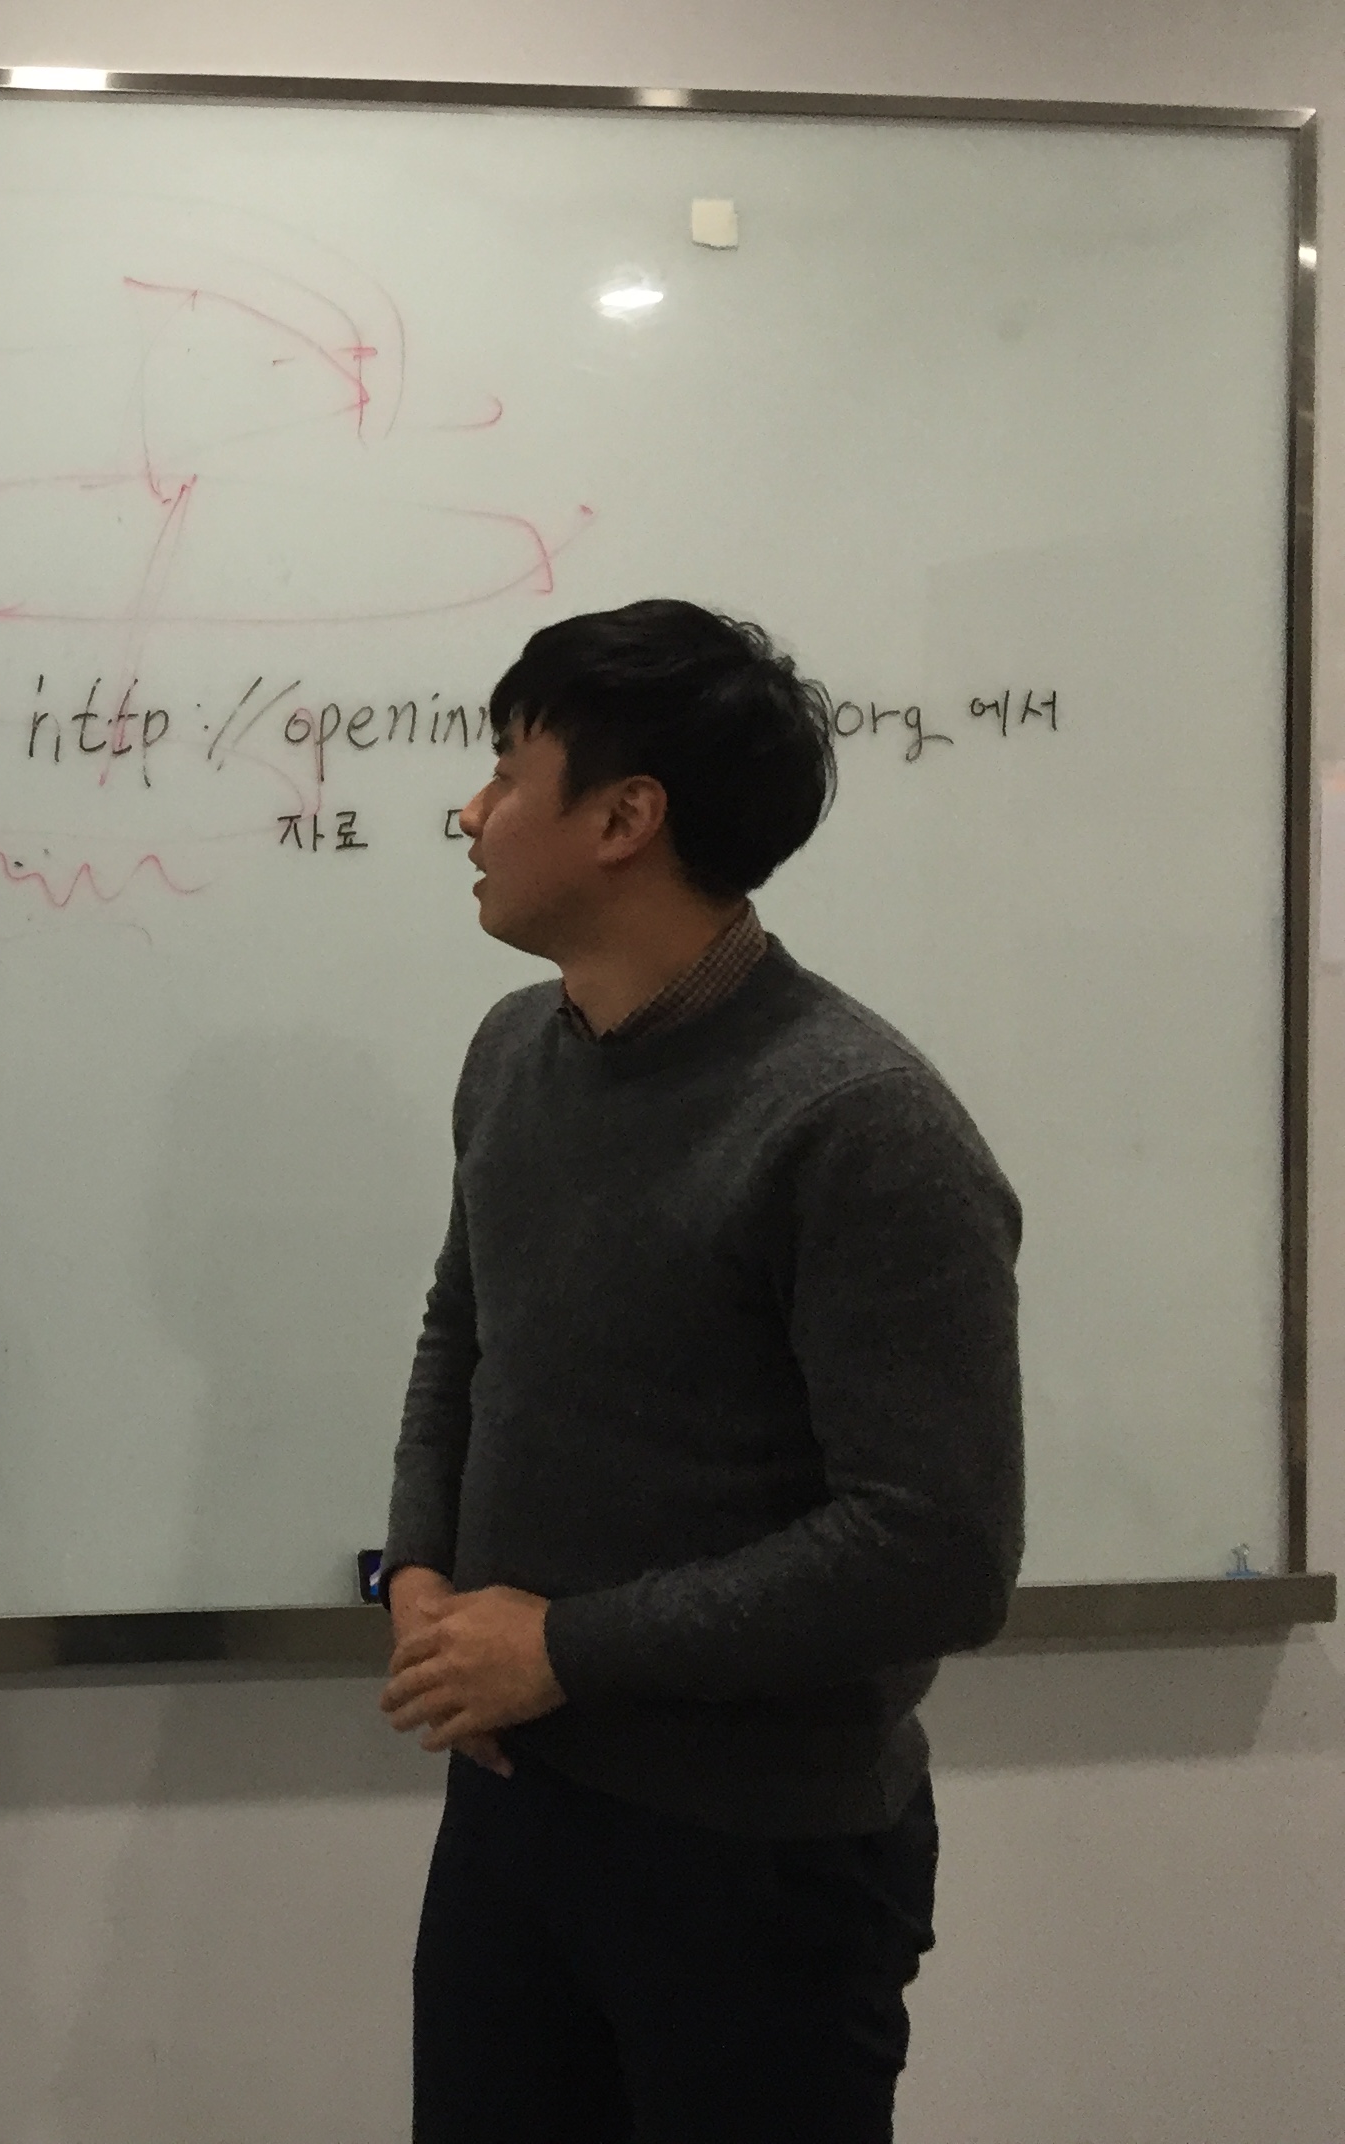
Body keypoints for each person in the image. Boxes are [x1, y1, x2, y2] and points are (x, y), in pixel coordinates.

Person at [379, 599, 1023, 2143]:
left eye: (507, 772)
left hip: (762, 1867)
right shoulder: (513, 1053)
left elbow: (935, 1551)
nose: (469, 813)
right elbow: (464, 1334)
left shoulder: (857, 1124)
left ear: (625, 819)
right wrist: (421, 1572)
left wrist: (567, 1647)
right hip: (519, 1810)